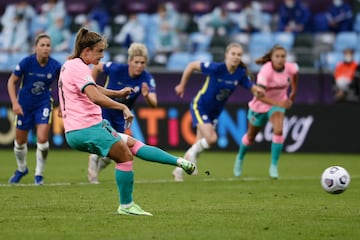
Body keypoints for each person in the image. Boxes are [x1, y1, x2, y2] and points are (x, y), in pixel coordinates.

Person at [58, 27, 195, 216]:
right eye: (100, 51)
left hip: (87, 127)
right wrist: (122, 106)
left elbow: (93, 87)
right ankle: (127, 205)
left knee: (132, 144)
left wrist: (116, 93)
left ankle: (180, 162)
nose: (102, 56)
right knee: (124, 156)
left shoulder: (70, 64)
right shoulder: (79, 66)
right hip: (86, 127)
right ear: (87, 50)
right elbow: (94, 96)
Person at [171, 42, 265, 182]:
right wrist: (182, 85)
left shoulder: (239, 74)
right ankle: (187, 160)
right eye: (233, 54)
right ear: (226, 55)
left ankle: (178, 170)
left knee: (199, 144)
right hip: (200, 106)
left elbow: (250, 86)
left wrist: (257, 89)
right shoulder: (216, 68)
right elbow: (191, 65)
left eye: (239, 54)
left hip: (214, 112)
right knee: (211, 139)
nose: (235, 57)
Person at [87, 42, 158, 184]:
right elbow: (96, 67)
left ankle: (95, 167)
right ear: (129, 61)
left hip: (121, 116)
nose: (139, 65)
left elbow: (154, 104)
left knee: (115, 152)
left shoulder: (147, 78)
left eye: (142, 63)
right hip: (105, 110)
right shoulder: (116, 68)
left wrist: (146, 95)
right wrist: (91, 88)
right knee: (107, 144)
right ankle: (93, 165)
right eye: (136, 62)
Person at [233, 45, 298, 179]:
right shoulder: (265, 72)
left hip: (277, 105)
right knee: (251, 137)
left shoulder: (291, 68)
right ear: (271, 58)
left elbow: (294, 77)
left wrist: (293, 93)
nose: (280, 59)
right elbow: (259, 95)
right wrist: (279, 103)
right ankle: (240, 158)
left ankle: (274, 166)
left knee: (278, 130)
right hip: (260, 106)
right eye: (277, 56)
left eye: (283, 56)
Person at [7, 33, 62, 185]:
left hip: (43, 104)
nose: (45, 48)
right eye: (42, 45)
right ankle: (22, 168)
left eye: (48, 45)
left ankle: (39, 174)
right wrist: (14, 103)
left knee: (43, 139)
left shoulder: (56, 66)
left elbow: (63, 85)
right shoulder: (26, 62)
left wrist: (63, 104)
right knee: (19, 142)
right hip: (24, 105)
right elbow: (12, 82)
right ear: (35, 47)